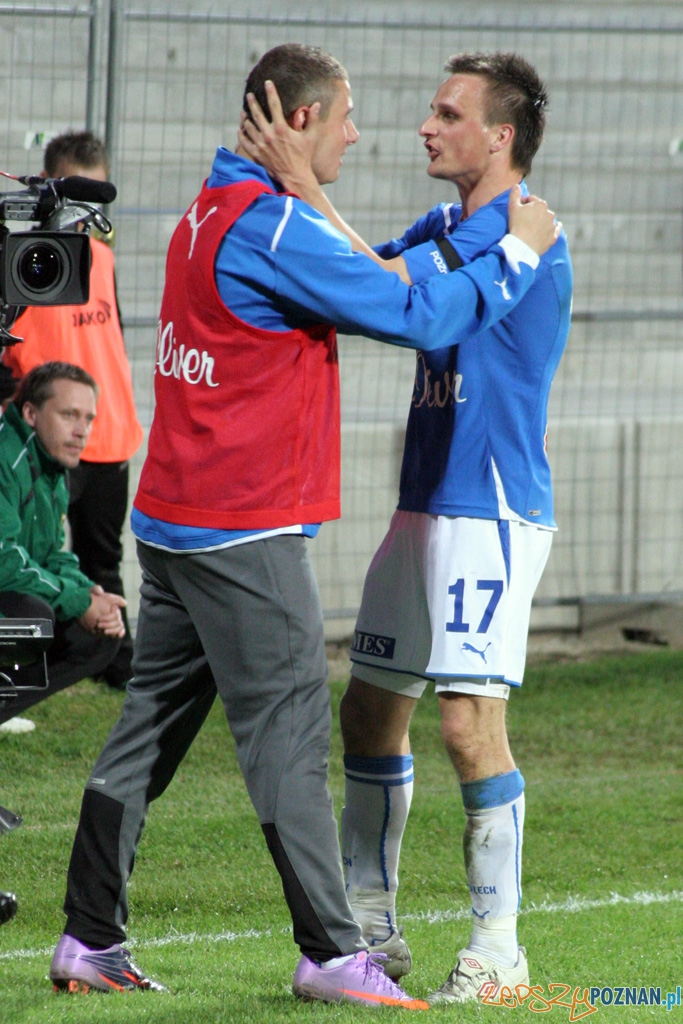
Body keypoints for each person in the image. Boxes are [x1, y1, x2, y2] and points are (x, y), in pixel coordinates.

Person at [49, 44, 559, 1007]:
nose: (364, 133)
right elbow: (409, 307)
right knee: (290, 736)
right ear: (293, 122)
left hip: (175, 517)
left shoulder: (211, 207)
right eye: (342, 118)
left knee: (146, 732)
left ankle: (89, 936)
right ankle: (334, 949)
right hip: (241, 527)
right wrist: (518, 250)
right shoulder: (276, 225)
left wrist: (309, 197)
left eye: (441, 113)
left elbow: (363, 265)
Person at [240, 51, 572, 1005]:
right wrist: (307, 195)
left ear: (499, 136)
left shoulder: (525, 231)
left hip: (490, 507)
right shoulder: (448, 222)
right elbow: (376, 278)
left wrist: (305, 188)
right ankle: (372, 926)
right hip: (424, 503)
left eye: (446, 113)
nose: (426, 127)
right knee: (371, 709)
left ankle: (499, 949)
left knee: (469, 724)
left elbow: (417, 322)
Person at [2, 131, 143, 692]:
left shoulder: (103, 260)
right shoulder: (24, 264)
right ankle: (20, 670)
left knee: (100, 557)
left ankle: (118, 662)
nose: (84, 220)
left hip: (106, 435)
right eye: (71, 203)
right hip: (42, 439)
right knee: (29, 555)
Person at [0, 362, 126, 729]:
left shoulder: (53, 464)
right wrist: (77, 600)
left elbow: (52, 552)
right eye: (69, 415)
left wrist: (90, 594)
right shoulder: (5, 456)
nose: (81, 431)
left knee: (101, 638)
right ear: (31, 413)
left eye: (88, 419)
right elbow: (4, 559)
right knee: (32, 617)